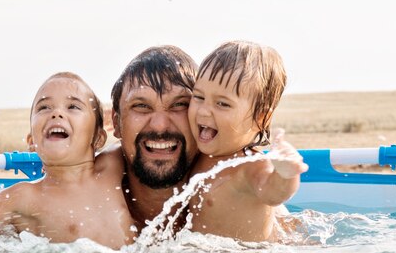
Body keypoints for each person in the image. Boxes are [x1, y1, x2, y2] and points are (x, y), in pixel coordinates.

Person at [0, 72, 136, 249]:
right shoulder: (23, 196)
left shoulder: (112, 166)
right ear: (32, 142)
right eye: (44, 107)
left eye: (73, 106)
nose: (56, 113)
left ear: (98, 138)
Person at [186, 40, 308, 242]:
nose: (204, 110)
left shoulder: (249, 166)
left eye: (222, 104)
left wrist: (285, 175)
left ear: (260, 118)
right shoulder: (198, 155)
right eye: (198, 97)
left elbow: (274, 193)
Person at [107, 46, 200, 228]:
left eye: (180, 104)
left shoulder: (242, 194)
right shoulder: (83, 205)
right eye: (141, 106)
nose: (160, 125)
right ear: (116, 123)